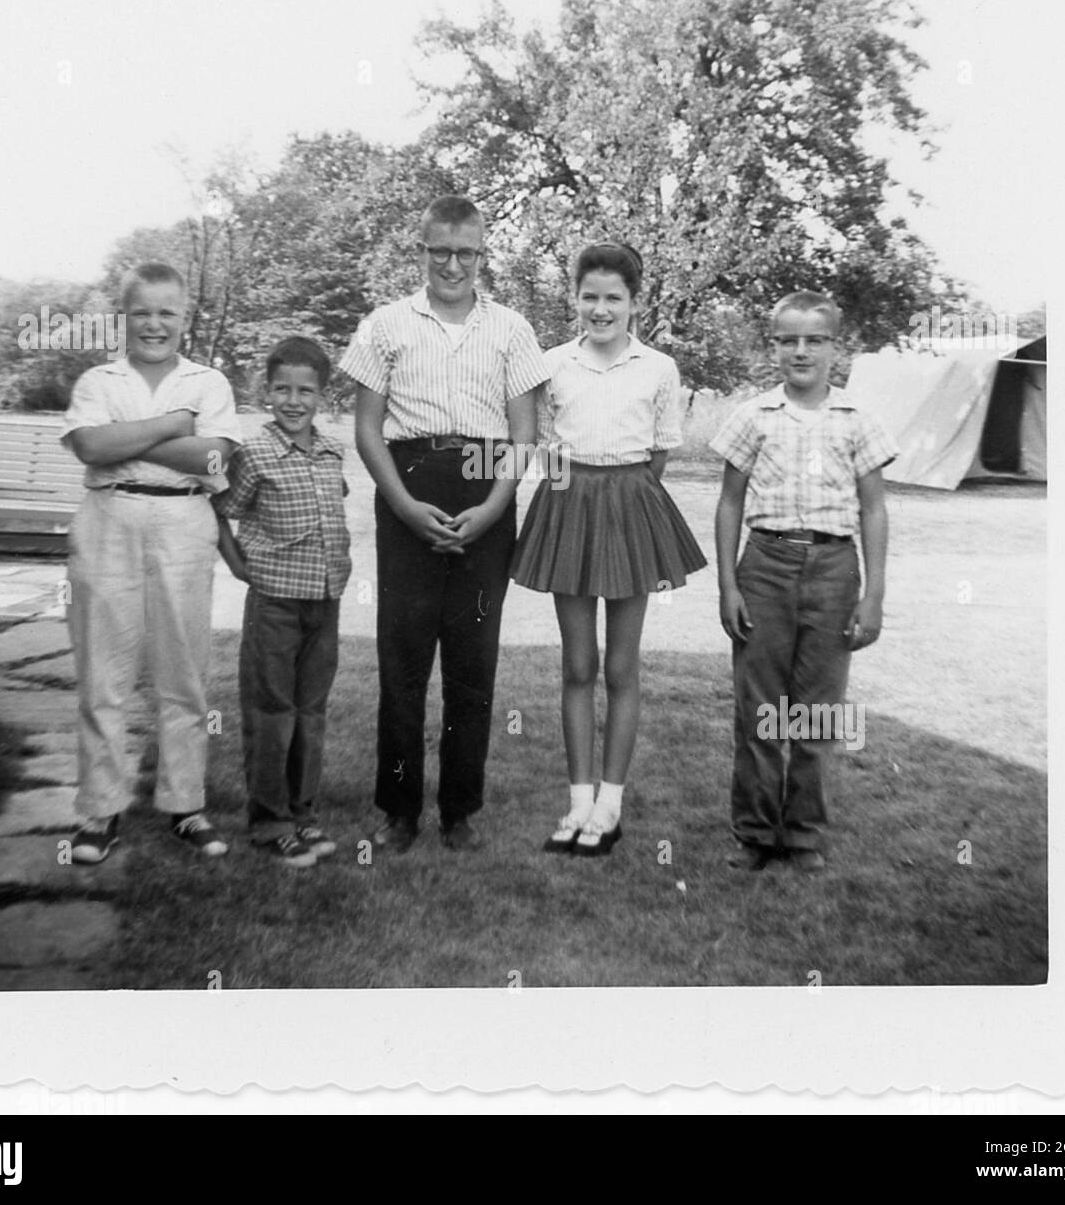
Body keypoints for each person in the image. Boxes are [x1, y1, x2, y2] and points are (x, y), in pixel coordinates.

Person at [339, 195, 547, 853]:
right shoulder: (384, 326)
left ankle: (460, 811)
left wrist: (491, 509)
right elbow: (367, 429)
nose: (453, 265)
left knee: (471, 663)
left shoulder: (513, 329)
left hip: (486, 490)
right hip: (409, 489)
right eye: (439, 252)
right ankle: (397, 810)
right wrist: (402, 504)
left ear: (483, 255)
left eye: (466, 253)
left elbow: (524, 434)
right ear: (422, 251)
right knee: (402, 661)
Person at [509, 243, 706, 856]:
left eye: (613, 298)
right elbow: (542, 446)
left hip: (629, 506)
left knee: (621, 667)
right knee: (576, 665)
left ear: (634, 302)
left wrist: (625, 500)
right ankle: (577, 802)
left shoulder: (658, 367)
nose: (600, 309)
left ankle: (610, 806)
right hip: (568, 505)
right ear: (575, 299)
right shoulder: (552, 364)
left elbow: (659, 453)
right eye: (589, 296)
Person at [61, 262, 242, 864]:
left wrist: (126, 437)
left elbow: (214, 461)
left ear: (183, 317)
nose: (154, 324)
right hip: (108, 521)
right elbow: (90, 446)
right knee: (103, 675)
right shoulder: (99, 379)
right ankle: (99, 811)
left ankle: (185, 806)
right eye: (142, 312)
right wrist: (171, 427)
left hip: (184, 525)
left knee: (183, 674)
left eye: (166, 312)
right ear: (124, 316)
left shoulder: (207, 382)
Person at [711, 291, 896, 873]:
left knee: (817, 713)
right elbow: (728, 504)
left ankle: (805, 834)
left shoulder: (857, 421)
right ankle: (755, 832)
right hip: (765, 566)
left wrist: (873, 594)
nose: (801, 351)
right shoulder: (752, 416)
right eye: (788, 340)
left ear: (834, 348)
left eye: (814, 340)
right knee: (760, 709)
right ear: (773, 347)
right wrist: (728, 586)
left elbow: (874, 510)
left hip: (834, 569)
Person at [213, 337, 352, 869]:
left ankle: (302, 812)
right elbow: (220, 509)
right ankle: (270, 822)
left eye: (306, 390)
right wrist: (234, 561)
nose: (293, 400)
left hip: (325, 599)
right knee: (273, 711)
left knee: (310, 712)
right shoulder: (254, 454)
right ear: (266, 392)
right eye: (282, 389)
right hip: (274, 601)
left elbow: (331, 504)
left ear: (321, 395)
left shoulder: (332, 451)